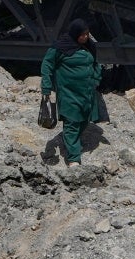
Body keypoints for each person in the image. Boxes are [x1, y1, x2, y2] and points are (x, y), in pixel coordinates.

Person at [40, 19, 103, 167]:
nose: (85, 37)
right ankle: (73, 158)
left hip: (87, 93)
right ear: (75, 34)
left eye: (87, 34)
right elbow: (47, 65)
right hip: (69, 93)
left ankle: (73, 143)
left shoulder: (88, 47)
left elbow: (95, 63)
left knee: (84, 119)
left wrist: (96, 79)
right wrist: (46, 88)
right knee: (72, 123)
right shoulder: (60, 48)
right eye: (82, 35)